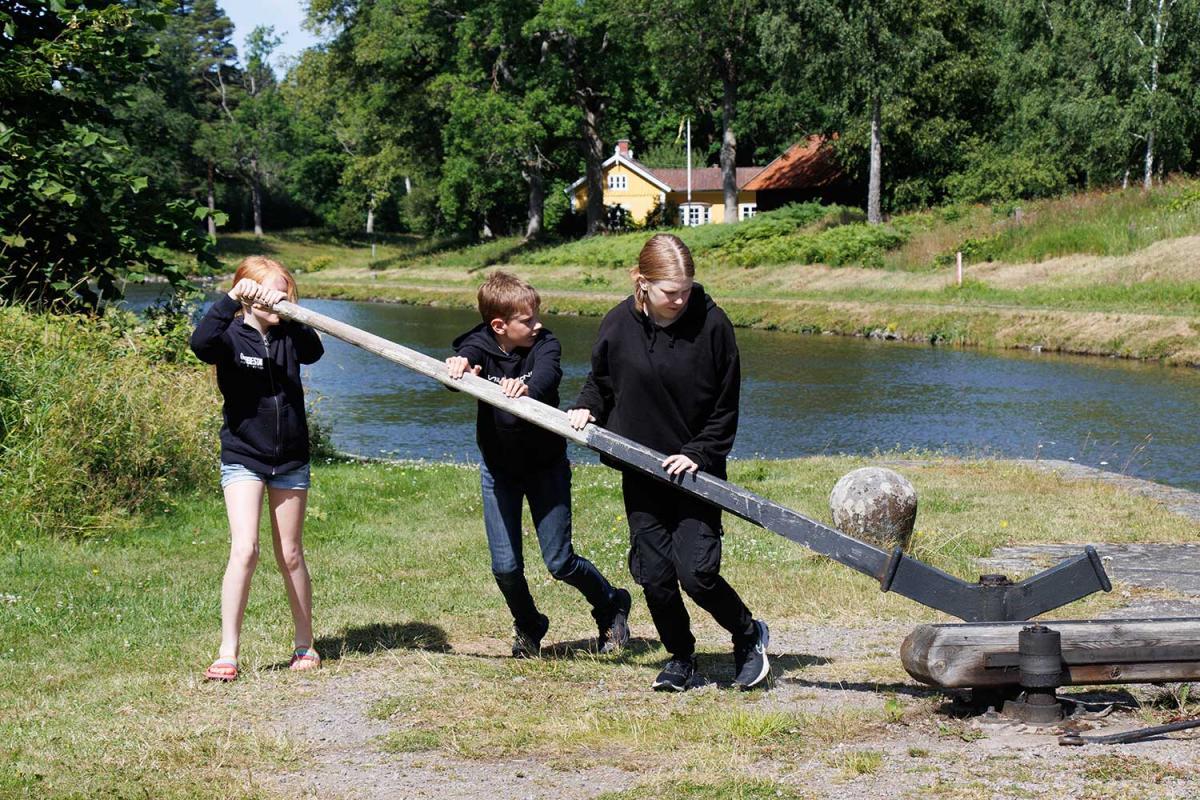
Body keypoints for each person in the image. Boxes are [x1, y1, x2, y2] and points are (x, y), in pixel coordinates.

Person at [566, 234, 769, 692]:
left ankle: (747, 633)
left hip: (697, 472)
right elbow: (601, 381)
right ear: (642, 283)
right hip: (641, 469)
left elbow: (725, 405)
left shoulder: (714, 325)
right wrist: (586, 406)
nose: (680, 299)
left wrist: (698, 453)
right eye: (669, 291)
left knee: (696, 574)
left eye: (686, 289)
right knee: (654, 576)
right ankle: (681, 658)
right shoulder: (618, 323)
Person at [445, 271, 632, 658]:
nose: (537, 324)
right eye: (527, 320)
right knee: (505, 568)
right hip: (498, 472)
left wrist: (526, 387)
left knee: (560, 561)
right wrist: (460, 367)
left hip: (546, 467)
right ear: (499, 325)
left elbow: (548, 376)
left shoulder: (545, 343)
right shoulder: (477, 342)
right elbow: (464, 361)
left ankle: (611, 603)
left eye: (536, 315)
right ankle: (529, 622)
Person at [190, 256, 325, 681]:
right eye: (269, 293)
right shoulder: (229, 335)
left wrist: (291, 314)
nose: (278, 301)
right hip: (244, 456)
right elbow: (200, 344)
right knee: (245, 548)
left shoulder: (290, 335)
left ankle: (305, 644)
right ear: (248, 292)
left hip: (290, 459)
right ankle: (228, 651)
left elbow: (314, 351)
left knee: (290, 552)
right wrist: (231, 299)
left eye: (285, 295)